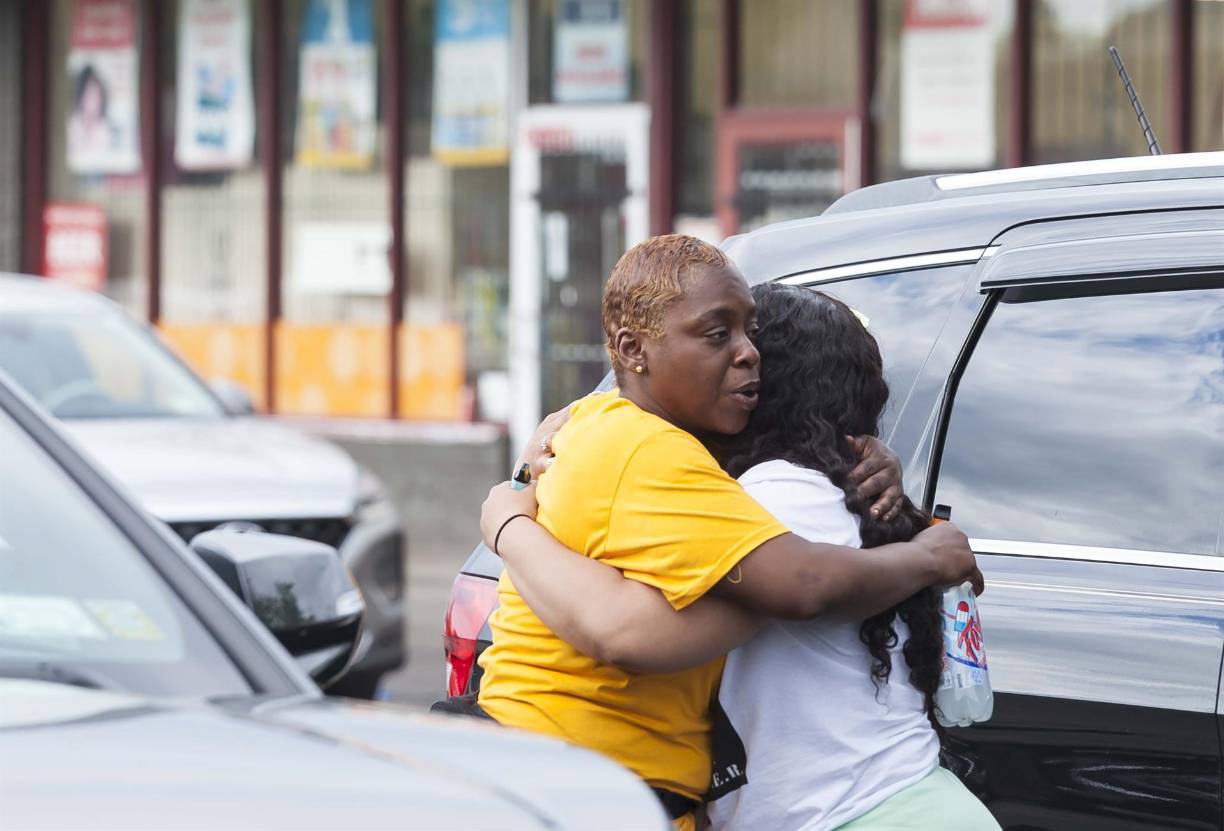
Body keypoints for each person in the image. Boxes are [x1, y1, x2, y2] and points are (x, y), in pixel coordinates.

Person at [475, 235, 981, 830]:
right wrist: (928, 553)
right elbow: (794, 585)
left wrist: (507, 512)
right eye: (719, 336)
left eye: (751, 335)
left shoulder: (635, 440)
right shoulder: (657, 453)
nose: (748, 355)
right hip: (577, 791)